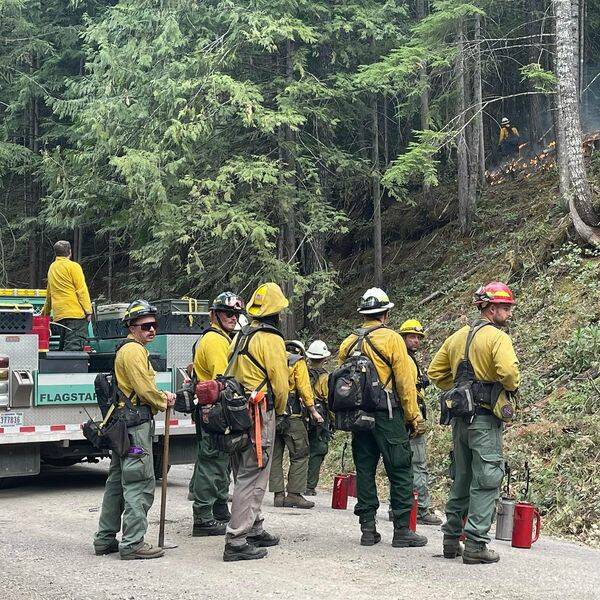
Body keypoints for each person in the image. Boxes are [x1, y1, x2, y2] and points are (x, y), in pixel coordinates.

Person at [428, 282, 520, 565]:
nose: (509, 313)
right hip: (484, 419)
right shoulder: (498, 338)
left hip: (460, 420)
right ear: (491, 308)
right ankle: (476, 545)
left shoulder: (457, 337)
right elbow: (509, 374)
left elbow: (434, 372)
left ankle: (451, 539)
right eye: (505, 307)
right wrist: (502, 387)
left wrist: (459, 387)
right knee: (487, 479)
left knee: (462, 478)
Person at [338, 288, 428, 548]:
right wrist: (414, 417)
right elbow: (405, 382)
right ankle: (402, 530)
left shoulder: (349, 342)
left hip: (358, 417)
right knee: (400, 469)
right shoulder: (392, 339)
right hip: (388, 413)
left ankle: (367, 529)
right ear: (386, 314)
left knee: (365, 470)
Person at [93, 300, 176, 560]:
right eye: (145, 326)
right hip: (135, 427)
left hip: (123, 427)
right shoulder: (134, 351)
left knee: (117, 482)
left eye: (154, 325)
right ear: (131, 326)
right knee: (139, 481)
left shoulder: (128, 349)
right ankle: (133, 543)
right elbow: (143, 389)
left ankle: (105, 539)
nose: (151, 330)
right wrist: (164, 400)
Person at [223, 282, 289, 562]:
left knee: (244, 471)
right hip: (260, 413)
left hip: (238, 411)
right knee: (254, 474)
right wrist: (280, 411)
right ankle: (237, 539)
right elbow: (281, 384)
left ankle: (254, 527)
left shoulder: (242, 335)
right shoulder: (272, 339)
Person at [190, 292, 244, 537]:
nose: (233, 318)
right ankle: (203, 516)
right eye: (228, 313)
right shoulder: (215, 341)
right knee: (211, 462)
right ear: (214, 315)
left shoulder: (224, 339)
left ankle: (219, 508)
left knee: (221, 461)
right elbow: (224, 379)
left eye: (236, 314)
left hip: (217, 410)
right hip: (214, 411)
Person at [269, 340, 324, 509]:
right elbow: (304, 388)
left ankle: (278, 495)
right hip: (292, 415)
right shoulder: (297, 362)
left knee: (275, 455)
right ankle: (294, 494)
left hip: (271, 414)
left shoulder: (271, 359)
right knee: (300, 453)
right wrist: (314, 412)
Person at [399, 319, 442, 526]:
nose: (416, 341)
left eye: (418, 337)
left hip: (402, 419)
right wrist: (415, 419)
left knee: (401, 466)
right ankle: (421, 509)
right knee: (418, 465)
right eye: (411, 337)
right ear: (403, 338)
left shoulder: (403, 359)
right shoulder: (406, 360)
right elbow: (409, 393)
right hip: (411, 420)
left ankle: (398, 506)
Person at [41, 240, 92, 351]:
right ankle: (70, 368)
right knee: (73, 349)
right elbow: (81, 290)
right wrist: (88, 311)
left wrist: (45, 314)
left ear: (56, 253)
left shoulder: (52, 268)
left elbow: (49, 294)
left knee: (64, 349)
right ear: (70, 252)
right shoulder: (74, 266)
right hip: (75, 315)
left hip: (60, 315)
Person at [305, 340, 332, 495]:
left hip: (302, 416)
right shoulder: (325, 378)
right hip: (319, 418)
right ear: (324, 359)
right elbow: (329, 400)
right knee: (318, 449)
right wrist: (333, 420)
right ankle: (309, 486)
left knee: (301, 451)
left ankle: (297, 484)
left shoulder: (302, 372)